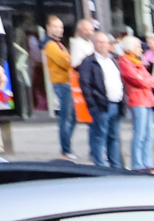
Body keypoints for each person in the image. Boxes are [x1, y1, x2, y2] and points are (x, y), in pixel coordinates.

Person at [76, 27, 123, 168]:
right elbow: (85, 84)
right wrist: (92, 104)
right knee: (99, 136)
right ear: (94, 44)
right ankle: (100, 165)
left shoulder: (113, 61)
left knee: (113, 137)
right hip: (100, 105)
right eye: (100, 42)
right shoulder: (89, 62)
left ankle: (115, 166)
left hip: (116, 103)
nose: (103, 45)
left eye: (105, 42)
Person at [116, 34, 154, 172]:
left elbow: (151, 81)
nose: (141, 49)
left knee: (148, 134)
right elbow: (136, 80)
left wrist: (145, 82)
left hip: (147, 99)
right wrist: (145, 82)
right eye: (138, 46)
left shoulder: (137, 62)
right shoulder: (124, 61)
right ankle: (137, 163)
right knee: (139, 133)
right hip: (137, 100)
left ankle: (147, 162)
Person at [41, 16, 76, 156]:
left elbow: (68, 60)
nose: (59, 29)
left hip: (67, 83)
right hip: (62, 84)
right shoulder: (50, 45)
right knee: (66, 118)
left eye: (60, 27)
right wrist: (71, 59)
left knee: (71, 117)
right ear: (48, 28)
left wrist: (69, 59)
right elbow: (65, 62)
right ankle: (66, 150)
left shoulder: (58, 44)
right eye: (55, 26)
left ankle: (67, 148)